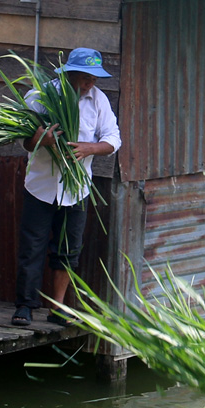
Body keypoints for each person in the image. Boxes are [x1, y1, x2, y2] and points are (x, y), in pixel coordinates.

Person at [13, 48, 121, 327]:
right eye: (86, 77)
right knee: (32, 248)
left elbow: (113, 140)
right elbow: (23, 139)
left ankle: (57, 307)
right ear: (69, 73)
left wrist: (90, 148)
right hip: (41, 187)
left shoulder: (99, 101)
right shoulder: (40, 96)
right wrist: (41, 141)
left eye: (95, 78)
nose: (91, 83)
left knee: (68, 250)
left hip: (77, 190)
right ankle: (25, 306)